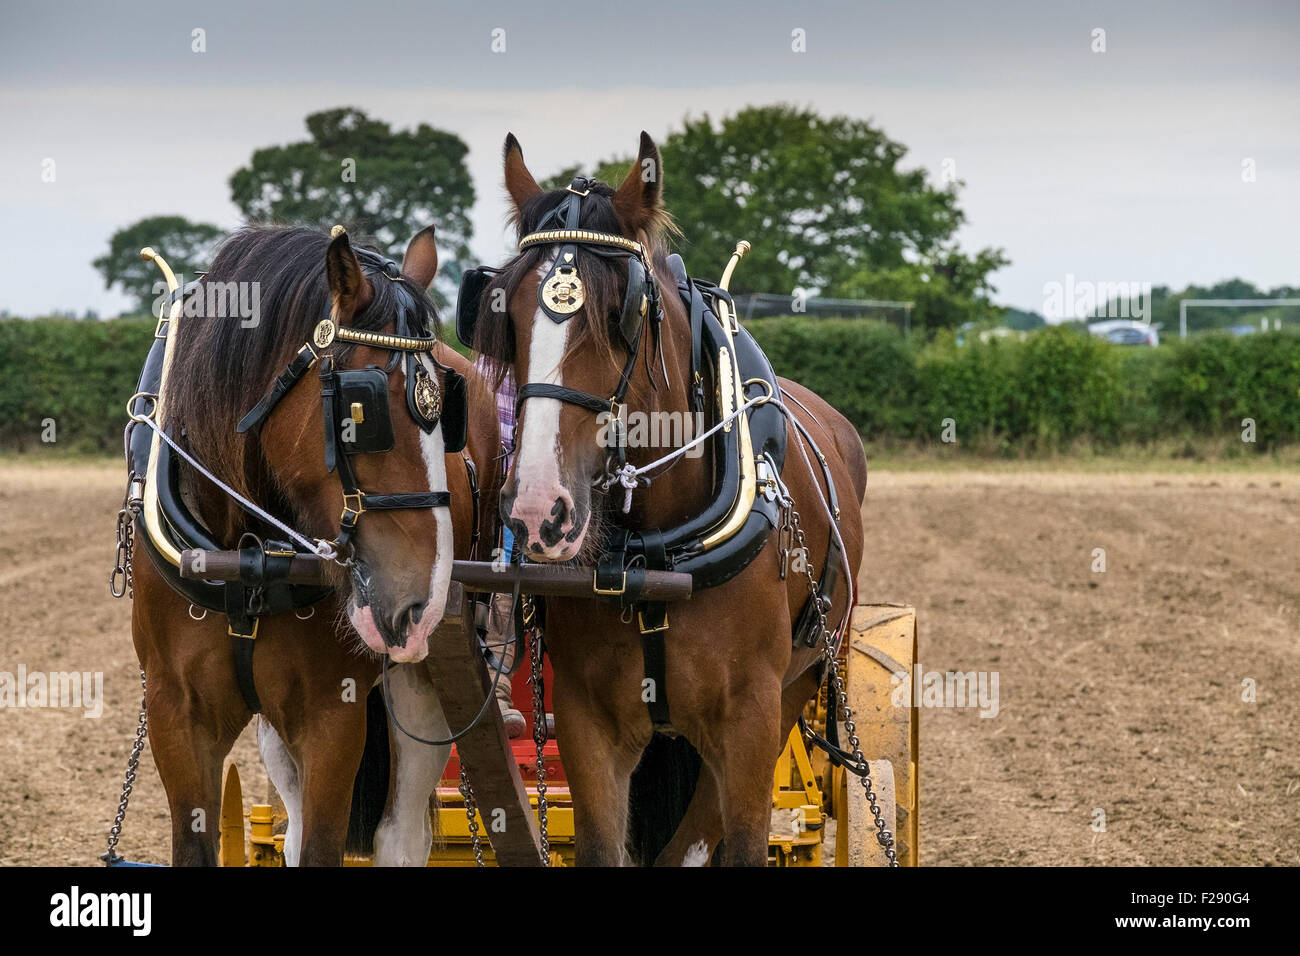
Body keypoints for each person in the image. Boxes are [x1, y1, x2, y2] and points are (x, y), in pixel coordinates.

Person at [480, 361, 526, 738]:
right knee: (499, 572)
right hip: (495, 488)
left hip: (529, 490)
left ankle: (498, 688)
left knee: (501, 572)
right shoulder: (490, 364)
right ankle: (496, 689)